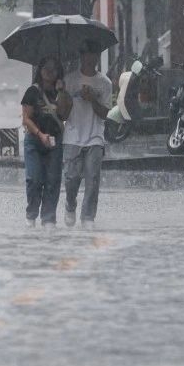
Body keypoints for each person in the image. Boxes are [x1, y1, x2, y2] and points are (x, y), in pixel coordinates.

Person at [59, 39, 113, 227]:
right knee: (71, 178)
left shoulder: (105, 83)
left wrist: (91, 100)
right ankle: (70, 204)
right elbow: (62, 114)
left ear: (98, 57)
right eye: (87, 54)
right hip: (73, 136)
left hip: (95, 138)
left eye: (95, 54)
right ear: (82, 56)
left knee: (93, 179)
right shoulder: (69, 80)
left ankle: (88, 217)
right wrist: (64, 96)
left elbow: (106, 113)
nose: (91, 58)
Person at [20, 56, 68, 227]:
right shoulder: (32, 92)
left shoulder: (61, 91)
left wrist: (62, 92)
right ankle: (31, 214)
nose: (49, 72)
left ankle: (48, 218)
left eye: (53, 69)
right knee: (34, 179)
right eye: (46, 68)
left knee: (53, 180)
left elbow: (64, 114)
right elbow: (26, 119)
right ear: (40, 71)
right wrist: (40, 134)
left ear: (58, 72)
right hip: (34, 140)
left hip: (55, 142)